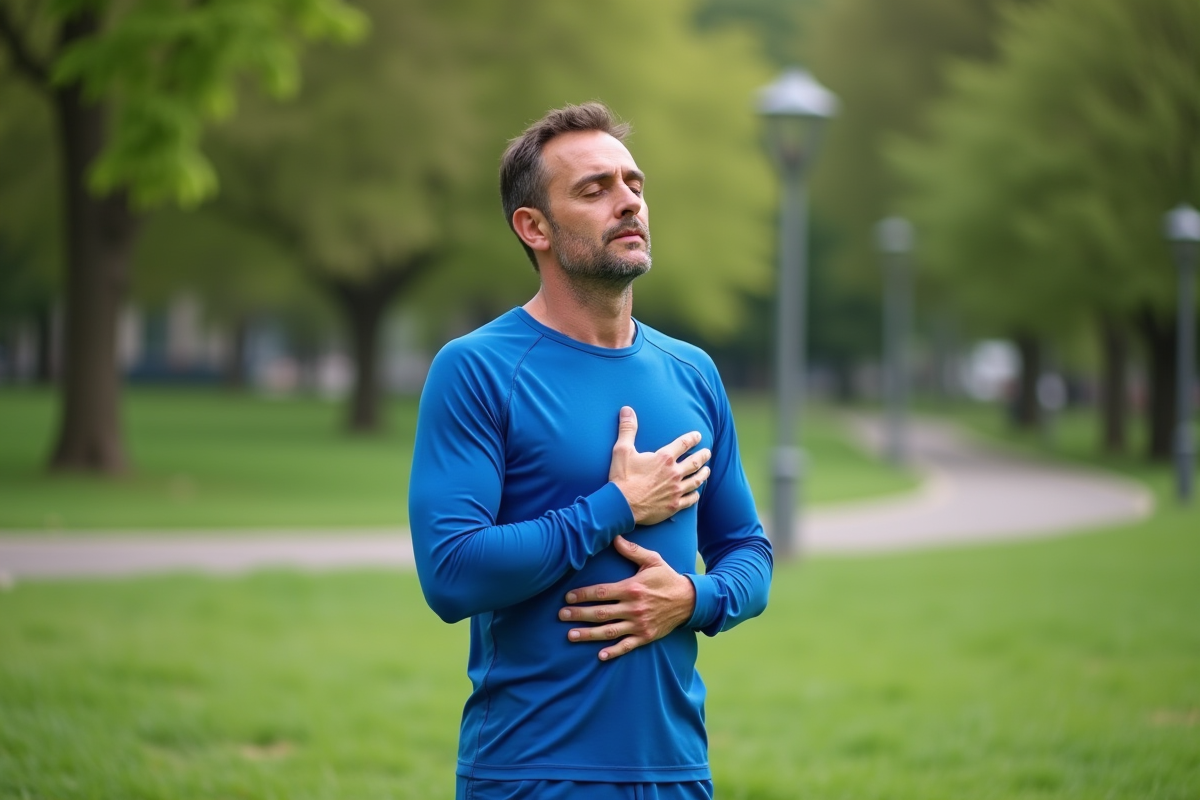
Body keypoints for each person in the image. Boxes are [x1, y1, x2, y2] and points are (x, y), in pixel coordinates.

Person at [409, 102, 773, 800]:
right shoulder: (477, 369)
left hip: (677, 772)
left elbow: (750, 551)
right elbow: (452, 574)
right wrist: (617, 506)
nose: (628, 202)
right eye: (594, 189)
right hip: (531, 773)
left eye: (633, 183)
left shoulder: (691, 371)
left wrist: (694, 598)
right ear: (533, 227)